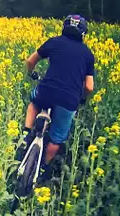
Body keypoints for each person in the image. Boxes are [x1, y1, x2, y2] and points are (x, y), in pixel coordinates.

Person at [15, 14, 95, 182]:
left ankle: (26, 134)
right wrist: (82, 98)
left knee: (34, 103)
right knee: (57, 137)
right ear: (83, 33)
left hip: (47, 90)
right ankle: (43, 168)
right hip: (69, 99)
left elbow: (30, 61)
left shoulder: (54, 42)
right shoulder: (88, 54)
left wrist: (32, 73)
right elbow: (89, 86)